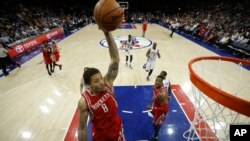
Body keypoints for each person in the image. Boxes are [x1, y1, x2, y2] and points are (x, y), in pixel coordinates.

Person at [78, 32, 125, 141]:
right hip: (101, 137)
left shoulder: (107, 82)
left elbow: (115, 59)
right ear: (89, 85)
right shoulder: (84, 102)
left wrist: (107, 33)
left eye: (100, 78)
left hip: (117, 130)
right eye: (96, 81)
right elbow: (82, 128)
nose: (101, 82)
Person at [147, 75, 169, 141]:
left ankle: (156, 137)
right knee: (154, 120)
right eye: (156, 80)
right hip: (157, 108)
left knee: (156, 125)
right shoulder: (158, 88)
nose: (156, 82)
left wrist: (153, 108)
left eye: (159, 81)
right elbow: (156, 95)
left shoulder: (162, 93)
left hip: (161, 112)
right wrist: (154, 98)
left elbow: (164, 109)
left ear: (162, 83)